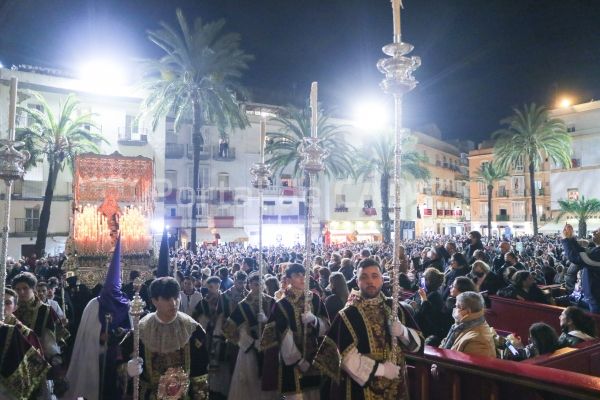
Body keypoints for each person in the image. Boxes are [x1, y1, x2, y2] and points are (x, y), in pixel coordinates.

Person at [313, 258, 423, 400]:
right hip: (361, 389)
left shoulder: (396, 308)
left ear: (382, 280)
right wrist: (382, 370)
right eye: (364, 277)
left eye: (374, 276)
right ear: (357, 282)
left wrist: (403, 332)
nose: (370, 281)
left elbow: (418, 346)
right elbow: (346, 358)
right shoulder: (348, 314)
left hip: (396, 384)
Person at [124, 277, 210, 399]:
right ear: (154, 301)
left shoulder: (193, 330)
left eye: (176, 297)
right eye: (166, 299)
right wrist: (127, 369)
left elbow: (200, 373)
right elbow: (119, 362)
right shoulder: (140, 331)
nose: (173, 303)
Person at [260, 263, 330, 399]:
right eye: (297, 275)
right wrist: (298, 360)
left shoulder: (314, 299)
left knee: (314, 394)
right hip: (293, 358)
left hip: (315, 355)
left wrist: (314, 320)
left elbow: (327, 326)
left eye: (304, 275)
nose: (302, 278)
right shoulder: (282, 305)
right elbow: (283, 335)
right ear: (288, 279)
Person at [222, 273, 277, 400]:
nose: (258, 287)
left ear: (264, 285)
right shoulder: (243, 305)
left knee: (266, 378)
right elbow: (228, 329)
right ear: (249, 285)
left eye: (260, 284)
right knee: (249, 379)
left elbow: (279, 325)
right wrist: (249, 341)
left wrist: (266, 320)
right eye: (255, 284)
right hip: (248, 349)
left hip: (268, 347)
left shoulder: (271, 301)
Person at [440, 291, 496, 357]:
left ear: (468, 311)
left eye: (457, 306)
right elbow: (444, 343)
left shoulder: (477, 340)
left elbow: (462, 365)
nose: (454, 309)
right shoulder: (463, 324)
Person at [561, 224, 600, 313]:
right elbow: (581, 251)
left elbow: (575, 257)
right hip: (593, 298)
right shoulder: (596, 250)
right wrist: (570, 238)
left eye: (598, 231)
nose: (593, 232)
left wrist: (566, 239)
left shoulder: (598, 253)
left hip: (597, 300)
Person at [411, 267, 450, 345]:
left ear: (429, 281)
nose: (422, 280)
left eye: (424, 278)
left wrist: (419, 305)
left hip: (424, 333)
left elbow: (429, 317)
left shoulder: (435, 296)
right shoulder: (425, 292)